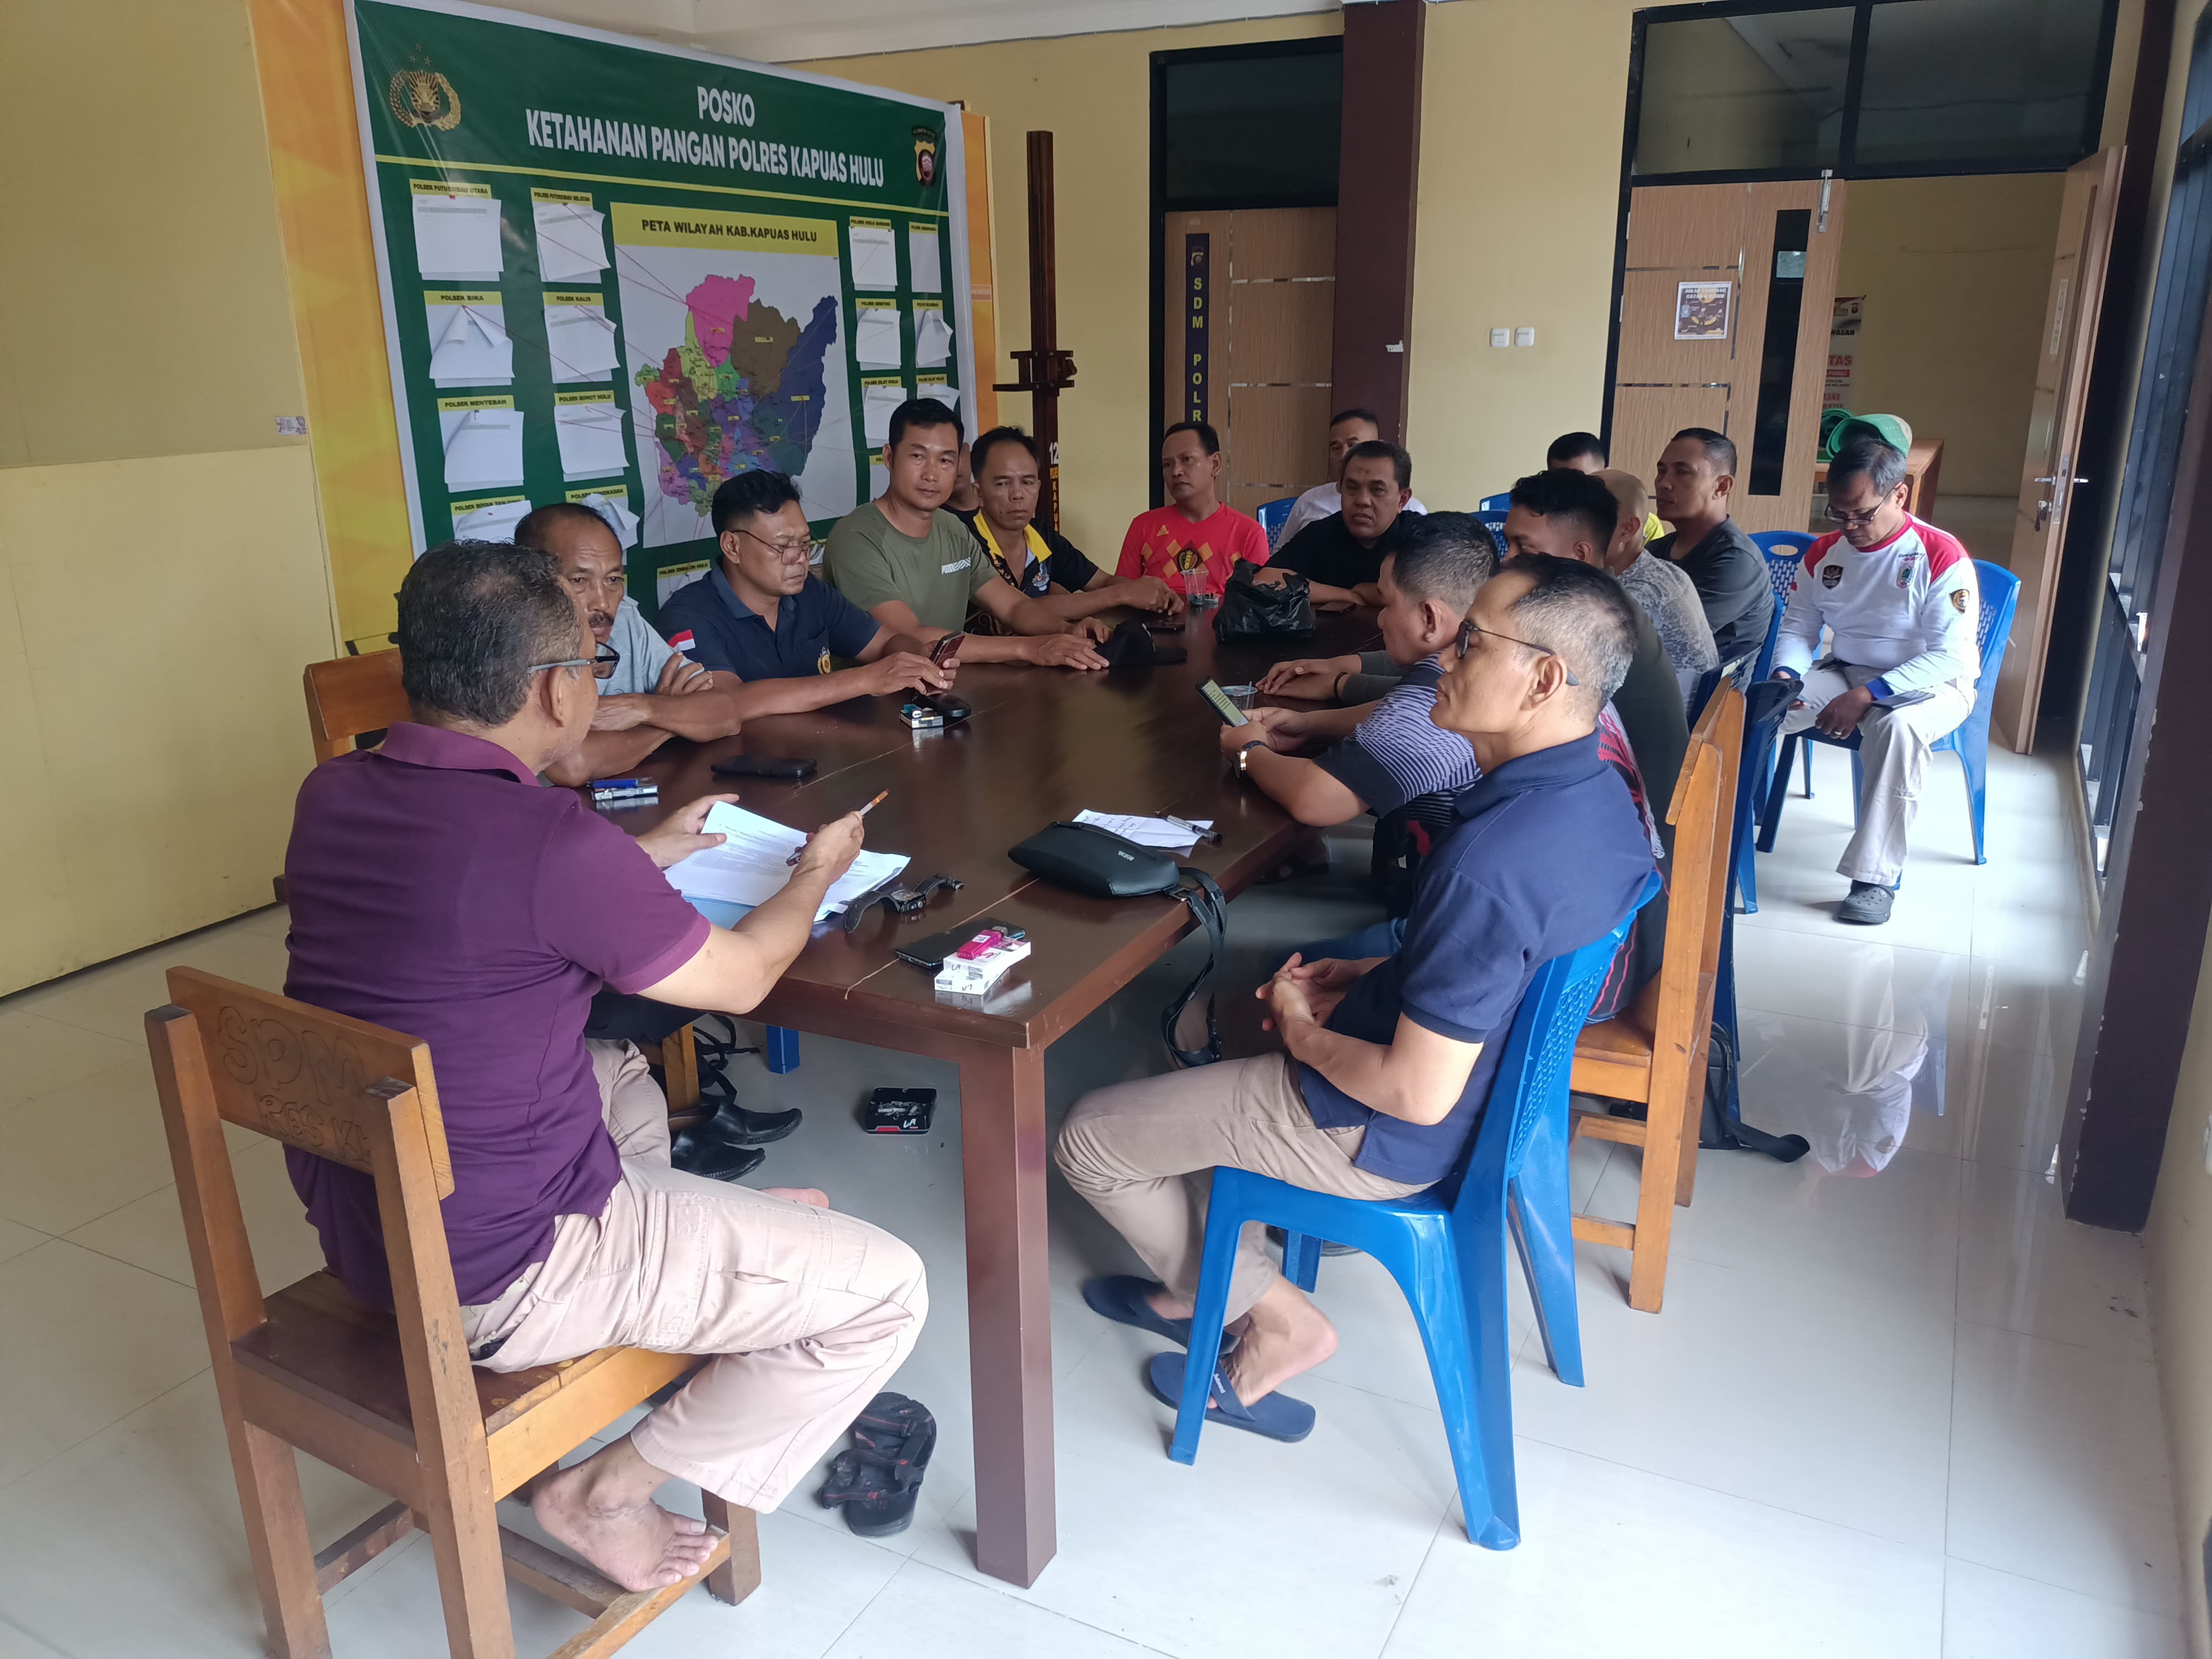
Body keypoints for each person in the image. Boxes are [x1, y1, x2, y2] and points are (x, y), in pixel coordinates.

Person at [282, 541, 927, 1594]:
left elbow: (462, 911)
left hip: (373, 1223)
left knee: (618, 1064)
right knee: (889, 1290)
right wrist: (819, 871)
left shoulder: (333, 794)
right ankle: (602, 1489)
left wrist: (637, 856)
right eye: (588, 659)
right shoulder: (547, 840)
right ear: (555, 689)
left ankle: (717, 1240)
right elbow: (746, 977)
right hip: (507, 1273)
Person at [1058, 555, 1653, 1437]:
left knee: (1089, 1139)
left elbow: (1416, 1090)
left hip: (1383, 1126)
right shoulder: (1595, 791)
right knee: (1212, 1045)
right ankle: (1205, 1284)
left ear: (1544, 678)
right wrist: (1385, 974)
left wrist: (1300, 1035)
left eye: (1473, 642)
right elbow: (1508, 963)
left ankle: (1273, 1321)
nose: (1446, 653)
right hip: (1478, 1088)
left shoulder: (1493, 861)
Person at [1771, 437, 1979, 926]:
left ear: (1899, 496)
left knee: (1896, 730)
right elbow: (1800, 628)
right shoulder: (1825, 553)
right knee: (1758, 708)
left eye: (1862, 514)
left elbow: (1948, 655)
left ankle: (1874, 879)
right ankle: (1720, 830)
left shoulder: (1939, 554)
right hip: (1846, 669)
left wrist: (1867, 696)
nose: (1850, 528)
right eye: (1838, 513)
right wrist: (1786, 676)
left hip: (1934, 683)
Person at [1225, 515, 1485, 875]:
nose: (1380, 620)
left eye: (1388, 604)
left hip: (1460, 912)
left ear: (1430, 618)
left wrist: (1247, 752)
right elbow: (1394, 710)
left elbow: (1314, 798)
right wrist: (1308, 724)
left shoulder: (1429, 702)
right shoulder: (1478, 661)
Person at [824, 398, 1109, 667]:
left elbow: (1011, 607)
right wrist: (1028, 647)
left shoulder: (953, 528)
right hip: (871, 703)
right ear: (889, 457)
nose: (932, 475)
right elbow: (907, 636)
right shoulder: (857, 538)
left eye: (945, 460)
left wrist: (1067, 630)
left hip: (947, 686)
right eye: (918, 457)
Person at [658, 469, 958, 715]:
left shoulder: (809, 593)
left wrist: (918, 659)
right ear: (732, 547)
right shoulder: (687, 616)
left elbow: (885, 643)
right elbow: (724, 704)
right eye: (782, 546)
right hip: (738, 778)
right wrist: (867, 679)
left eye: (804, 544)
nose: (800, 558)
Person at [1501, 470, 1689, 827]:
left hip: (1632, 829)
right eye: (1508, 544)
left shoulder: (1581, 625)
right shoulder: (1597, 601)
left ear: (1580, 555)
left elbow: (1481, 685)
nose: (1507, 560)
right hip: (1614, 802)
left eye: (1524, 547)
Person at [513, 503, 747, 788]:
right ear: (532, 583)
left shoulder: (626, 622)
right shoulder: (516, 644)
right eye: (579, 581)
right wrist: (668, 718)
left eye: (613, 579)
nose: (602, 601)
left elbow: (726, 713)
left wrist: (643, 708)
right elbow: (572, 765)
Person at [955, 426, 1185, 627]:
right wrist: (1119, 594)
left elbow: (1102, 582)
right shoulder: (960, 540)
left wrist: (1153, 594)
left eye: (1027, 482)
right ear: (979, 493)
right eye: (1003, 483)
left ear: (1038, 486)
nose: (1017, 495)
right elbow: (1021, 610)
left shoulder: (1041, 535)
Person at [1649, 427, 1774, 675]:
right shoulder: (1656, 549)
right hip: (1659, 680)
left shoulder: (1736, 560)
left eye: (1682, 472)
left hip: (1709, 699)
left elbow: (1665, 639)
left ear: (1722, 486)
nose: (1664, 483)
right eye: (1662, 471)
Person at [1594, 468, 1717, 702]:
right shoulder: (1664, 571)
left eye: (1588, 519)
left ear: (1628, 529)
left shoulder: (1638, 595)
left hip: (1669, 733)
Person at [1117, 421, 1271, 599]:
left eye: (1187, 460)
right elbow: (1124, 594)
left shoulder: (1248, 534)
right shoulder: (1143, 527)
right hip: (1154, 625)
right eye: (1167, 465)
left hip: (1222, 626)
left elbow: (1259, 606)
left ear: (1215, 464)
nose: (1176, 471)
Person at [1261, 440, 1415, 608]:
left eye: (1377, 490)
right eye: (1352, 487)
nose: (1362, 501)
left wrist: (1377, 592)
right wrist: (1348, 595)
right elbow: (1264, 579)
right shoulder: (1322, 532)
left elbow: (1428, 595)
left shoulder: (1420, 536)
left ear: (1402, 499)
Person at [1275, 407, 1430, 546]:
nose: (1344, 455)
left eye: (1354, 446)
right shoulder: (1310, 504)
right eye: (1336, 448)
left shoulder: (1412, 513)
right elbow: (1278, 560)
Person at [1549, 431, 1665, 545]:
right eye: (1562, 482)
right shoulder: (1542, 520)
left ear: (1606, 474)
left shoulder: (1645, 524)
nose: (1573, 491)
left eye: (1585, 481)